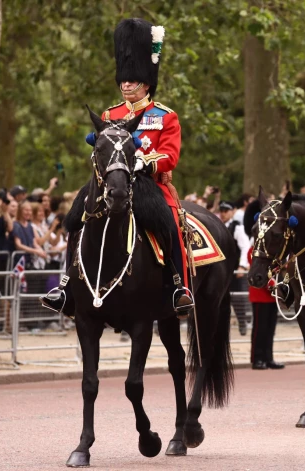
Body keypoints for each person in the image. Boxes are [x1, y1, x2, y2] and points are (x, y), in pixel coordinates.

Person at [42, 18, 194, 316]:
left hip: (149, 184)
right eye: (123, 79)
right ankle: (65, 287)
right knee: (75, 217)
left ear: (146, 81)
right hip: (110, 181)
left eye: (132, 79)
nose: (125, 84)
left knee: (169, 221)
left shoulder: (165, 116)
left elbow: (170, 156)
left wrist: (141, 161)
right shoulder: (109, 113)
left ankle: (178, 285)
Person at [248, 247, 284, 370]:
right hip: (260, 295)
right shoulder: (254, 250)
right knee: (260, 330)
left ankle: (268, 358)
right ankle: (257, 359)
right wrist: (274, 285)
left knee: (270, 330)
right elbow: (257, 272)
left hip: (273, 297)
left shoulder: (274, 251)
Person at [219, 200, 251, 335]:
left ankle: (242, 323)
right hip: (221, 270)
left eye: (226, 211)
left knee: (239, 300)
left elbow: (245, 247)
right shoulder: (218, 225)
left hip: (234, 270)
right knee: (220, 298)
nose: (223, 213)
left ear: (232, 211)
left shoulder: (237, 227)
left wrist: (242, 266)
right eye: (221, 211)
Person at [12, 201, 47, 269]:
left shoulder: (30, 226)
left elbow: (34, 242)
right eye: (26, 210)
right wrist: (35, 251)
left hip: (29, 261)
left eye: (30, 210)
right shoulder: (16, 225)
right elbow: (18, 245)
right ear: (20, 211)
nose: (28, 212)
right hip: (19, 261)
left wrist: (40, 250)